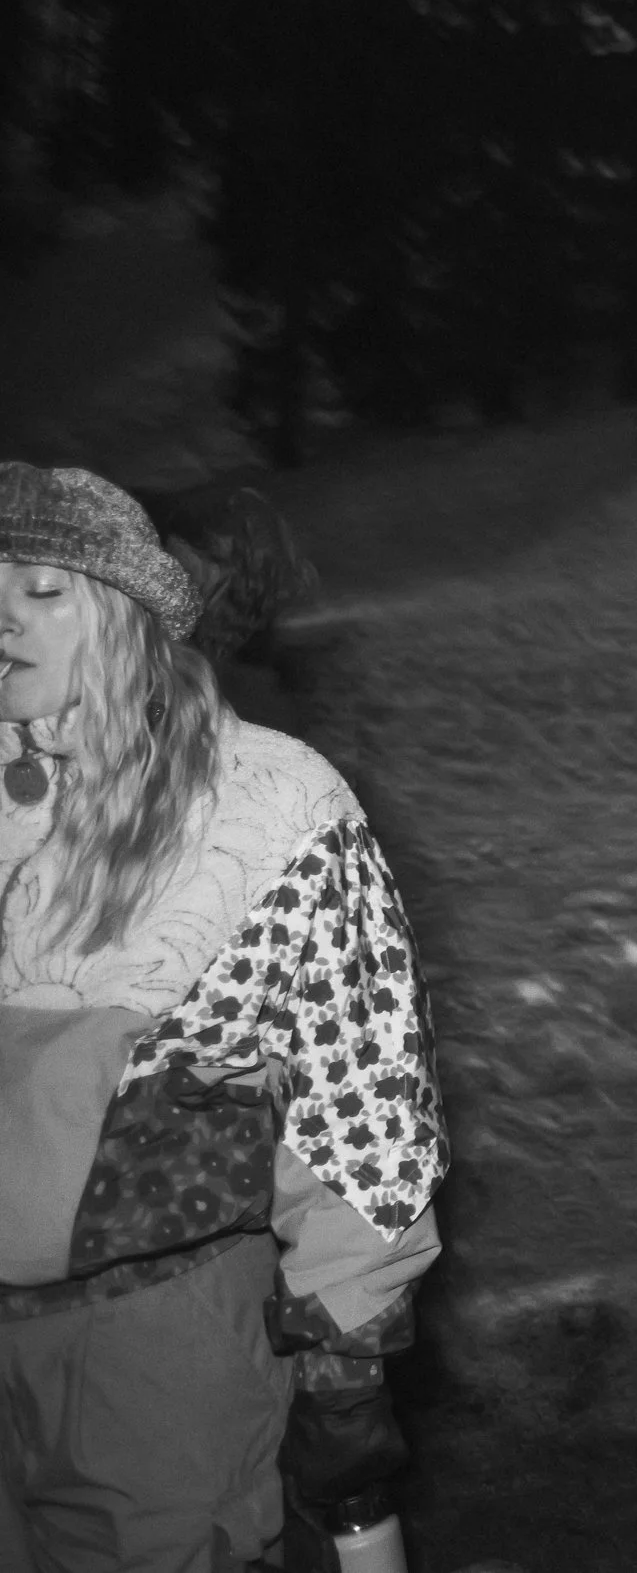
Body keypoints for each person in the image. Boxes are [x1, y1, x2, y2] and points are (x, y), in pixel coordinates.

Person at [0, 464, 444, 1571]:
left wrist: (345, 1368)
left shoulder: (268, 802)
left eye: (45, 586)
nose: (3, 610)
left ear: (125, 614)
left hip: (156, 1341)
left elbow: (360, 1103)